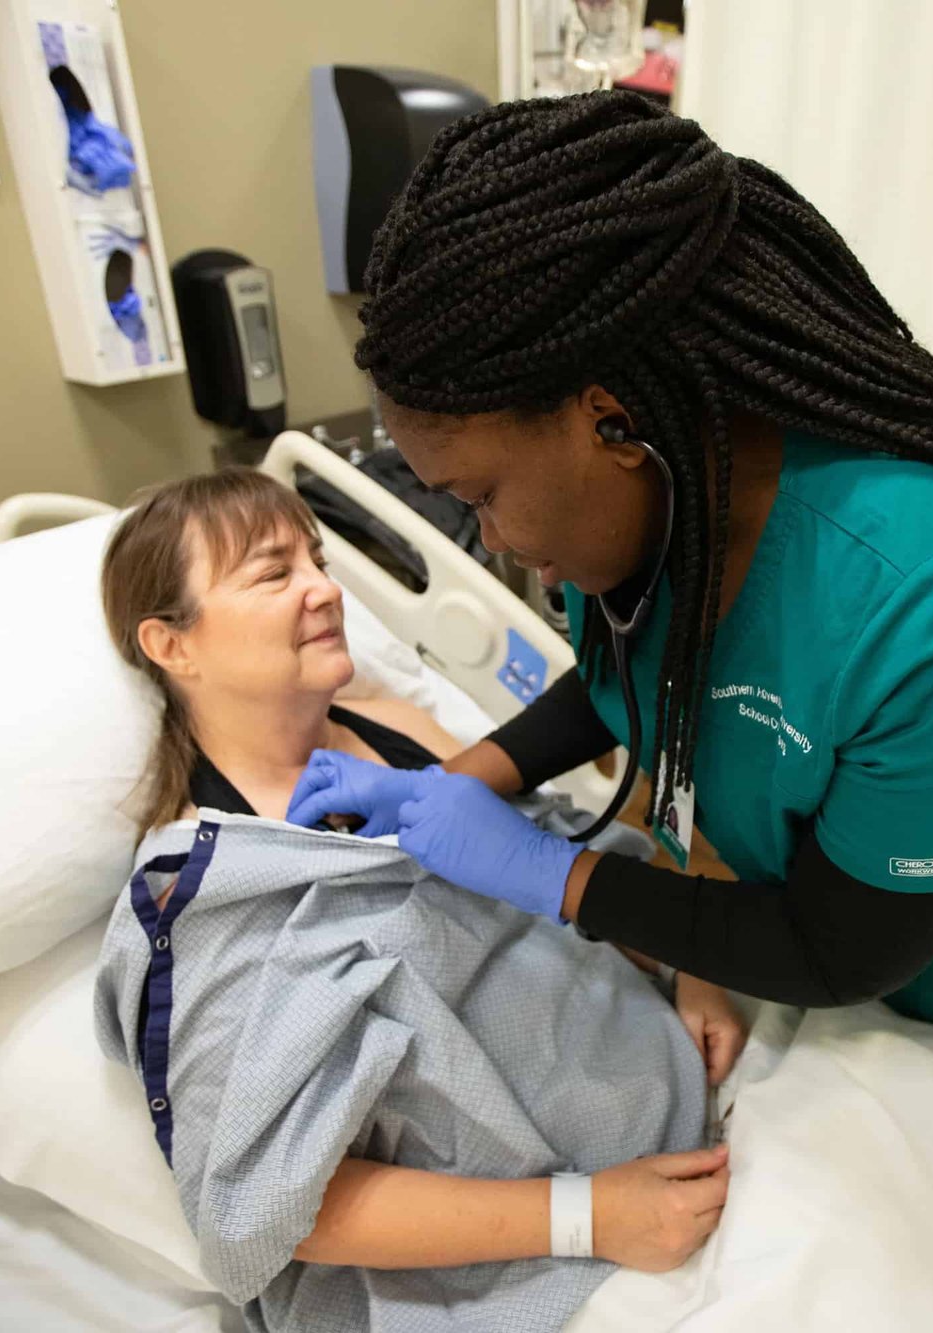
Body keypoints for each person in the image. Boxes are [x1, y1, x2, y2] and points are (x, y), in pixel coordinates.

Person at [285, 90, 933, 1036]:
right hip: (772, 909)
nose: (489, 541)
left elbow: (841, 949)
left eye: (482, 496)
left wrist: (553, 873)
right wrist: (468, 778)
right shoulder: (646, 496)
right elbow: (629, 670)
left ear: (609, 419)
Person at [98, 469, 735, 1279]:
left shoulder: (398, 730)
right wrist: (588, 1216)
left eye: (318, 560)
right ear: (171, 643)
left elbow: (553, 862)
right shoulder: (203, 883)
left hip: (692, 1080)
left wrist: (693, 959)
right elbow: (276, 1201)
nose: (325, 590)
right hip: (563, 1232)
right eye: (273, 572)